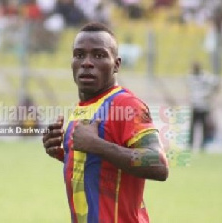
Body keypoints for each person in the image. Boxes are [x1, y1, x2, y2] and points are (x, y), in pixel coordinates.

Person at [42, 22, 168, 223]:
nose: (87, 63)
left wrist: (96, 145)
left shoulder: (127, 105)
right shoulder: (82, 107)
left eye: (99, 55)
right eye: (79, 55)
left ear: (116, 64)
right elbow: (98, 166)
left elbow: (159, 164)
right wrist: (63, 152)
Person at [187, 62, 219, 151]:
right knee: (193, 126)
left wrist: (211, 95)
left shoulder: (206, 77)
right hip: (195, 105)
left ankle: (203, 145)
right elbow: (190, 90)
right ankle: (190, 144)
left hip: (204, 105)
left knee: (204, 126)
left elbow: (216, 84)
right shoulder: (191, 77)